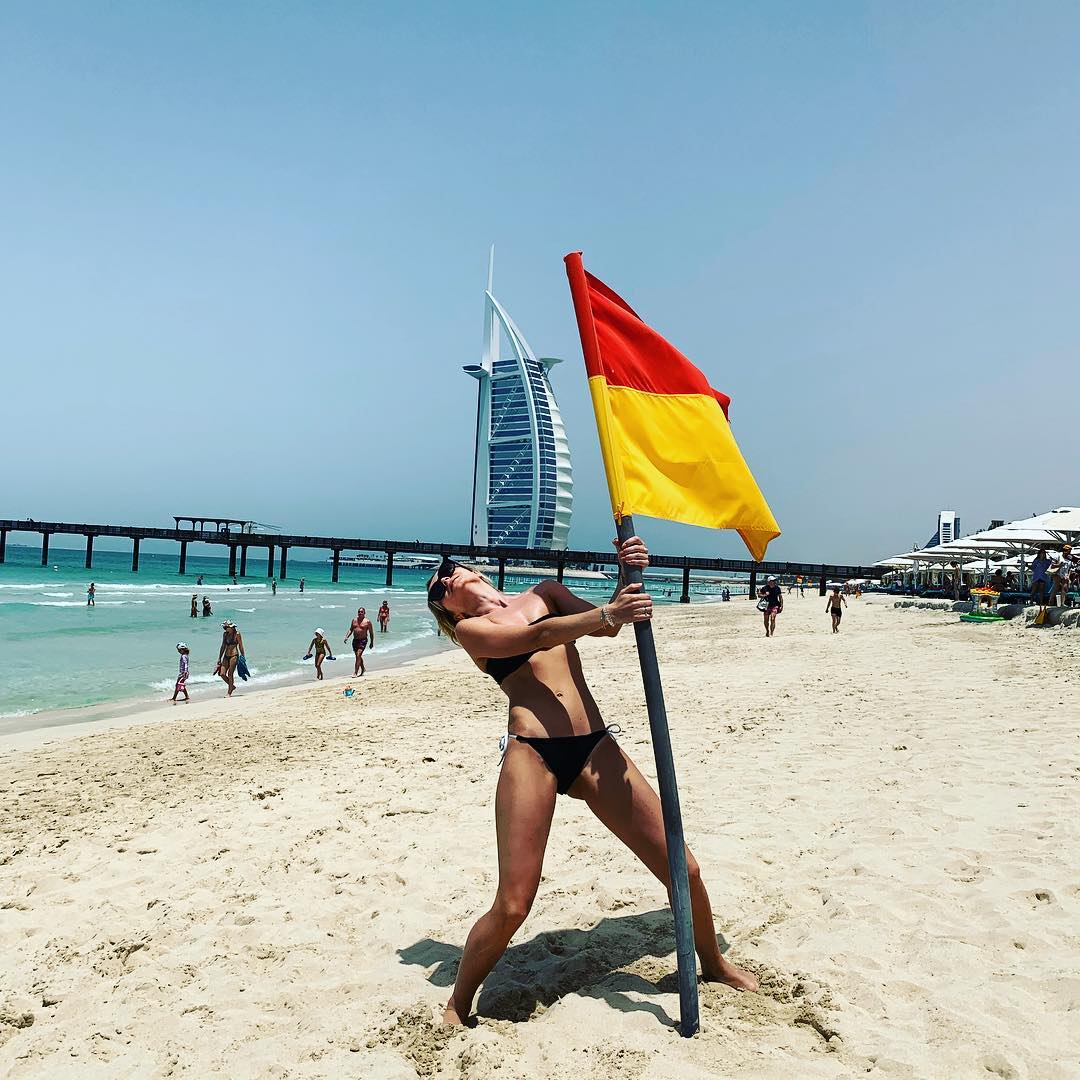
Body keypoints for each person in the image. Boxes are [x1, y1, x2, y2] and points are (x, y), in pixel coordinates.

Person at [426, 535, 757, 1029]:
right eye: (439, 587)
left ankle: (712, 963)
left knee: (683, 868)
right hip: (532, 754)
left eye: (450, 567)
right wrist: (609, 612)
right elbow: (542, 637)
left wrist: (627, 572)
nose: (449, 576)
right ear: (447, 610)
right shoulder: (474, 631)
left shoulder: (546, 591)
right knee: (513, 904)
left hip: (594, 748)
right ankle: (458, 1001)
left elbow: (610, 627)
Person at [216, 620, 244, 697]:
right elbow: (223, 646)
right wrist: (219, 658)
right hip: (226, 656)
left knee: (230, 674)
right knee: (222, 674)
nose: (224, 628)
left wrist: (243, 656)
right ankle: (232, 686)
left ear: (231, 627)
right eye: (224, 627)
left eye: (226, 627)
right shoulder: (225, 634)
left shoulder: (237, 634)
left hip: (234, 655)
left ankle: (229, 692)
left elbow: (240, 646)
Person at [345, 607, 375, 675]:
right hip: (355, 640)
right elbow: (351, 629)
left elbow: (371, 633)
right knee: (358, 656)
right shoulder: (354, 620)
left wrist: (371, 642)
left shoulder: (367, 622)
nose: (360, 613)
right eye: (359, 612)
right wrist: (347, 637)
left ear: (364, 613)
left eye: (361, 612)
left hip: (363, 640)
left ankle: (355, 672)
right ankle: (363, 668)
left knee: (358, 655)